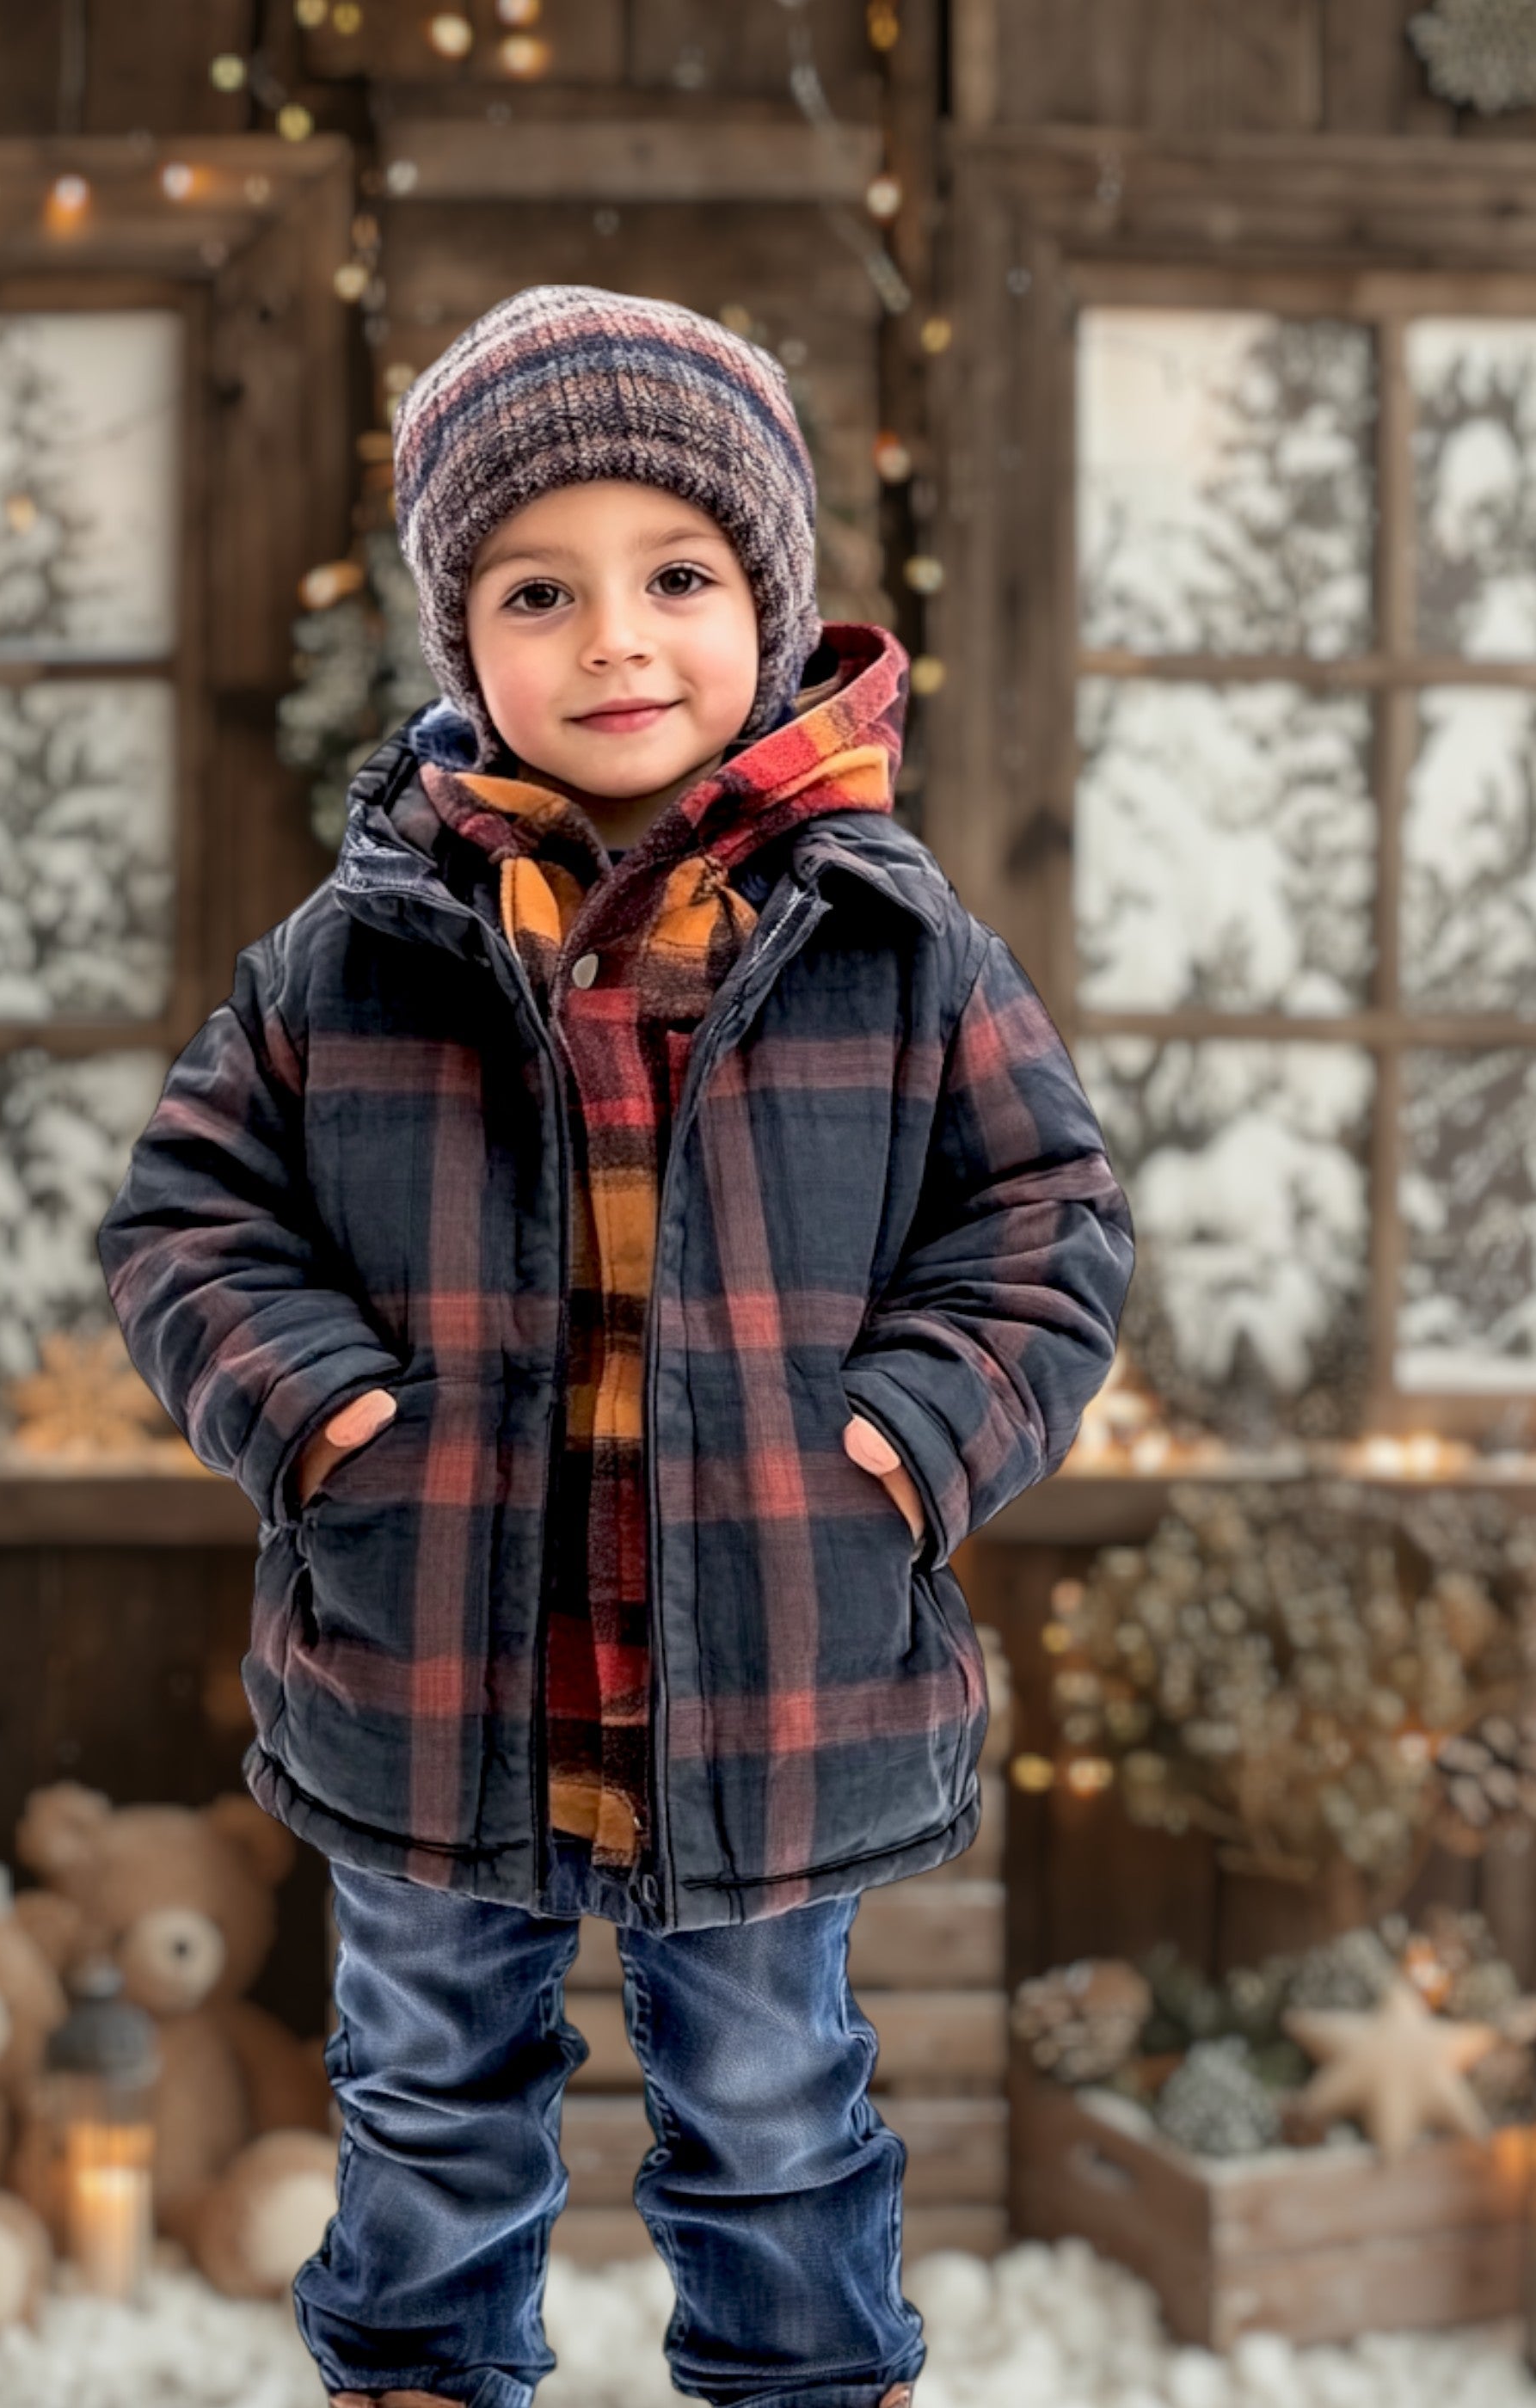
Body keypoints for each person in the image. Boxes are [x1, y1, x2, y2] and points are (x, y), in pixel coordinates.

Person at [98, 284, 1134, 2408]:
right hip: (427, 1665)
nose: (613, 641)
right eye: (536, 591)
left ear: (766, 603)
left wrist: (909, 1436)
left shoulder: (892, 941)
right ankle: (416, 2375)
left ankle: (802, 2381)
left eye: (673, 577)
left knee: (770, 2103)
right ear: (456, 638)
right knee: (426, 2093)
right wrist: (320, 1416)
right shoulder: (352, 950)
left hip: (768, 1663)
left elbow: (1046, 1223)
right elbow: (187, 1216)